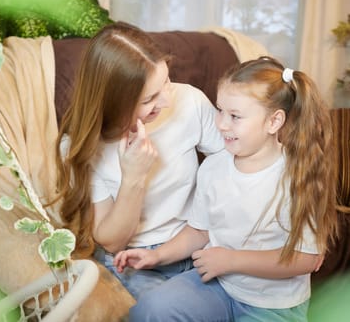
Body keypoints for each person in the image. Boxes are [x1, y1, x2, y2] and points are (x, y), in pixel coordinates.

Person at [114, 56, 340, 321]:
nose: (221, 123)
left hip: (273, 305)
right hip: (220, 285)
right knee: (152, 309)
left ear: (274, 122)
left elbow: (306, 260)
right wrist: (156, 255)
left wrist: (230, 261)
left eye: (235, 116)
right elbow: (200, 230)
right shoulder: (213, 167)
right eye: (220, 110)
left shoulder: (298, 175)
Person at [54, 22, 224, 299]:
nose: (167, 101)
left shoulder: (189, 101)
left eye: (166, 82)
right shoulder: (80, 146)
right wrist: (134, 176)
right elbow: (112, 241)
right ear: (113, 102)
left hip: (194, 242)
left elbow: (231, 162)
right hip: (134, 261)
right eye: (150, 99)